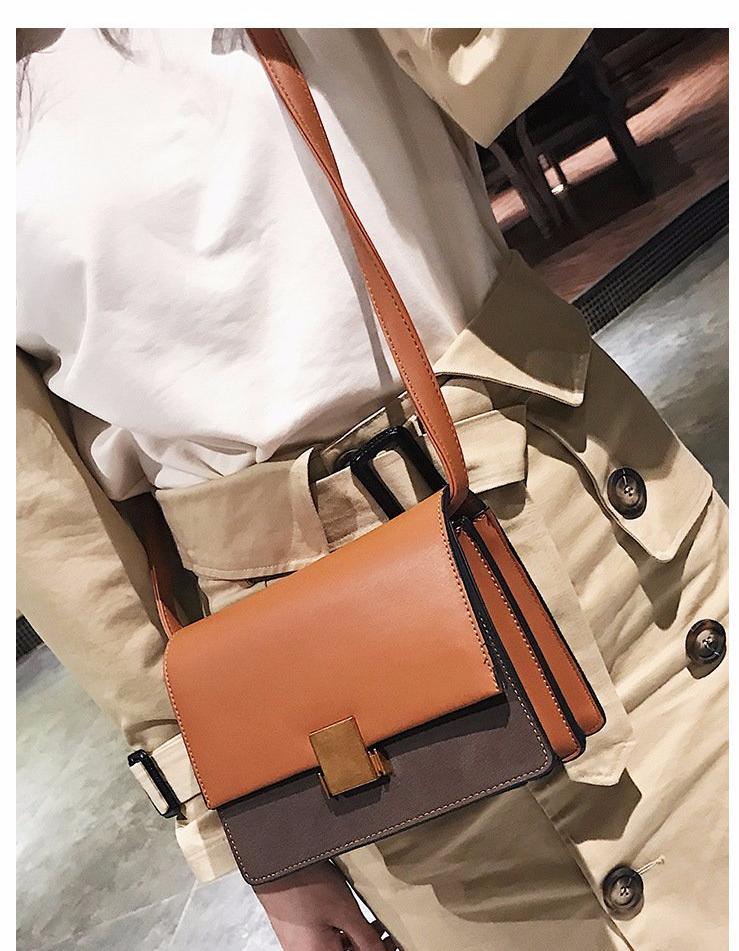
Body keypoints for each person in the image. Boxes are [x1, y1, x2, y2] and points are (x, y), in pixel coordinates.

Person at [16, 28, 728, 951]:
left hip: (610, 562)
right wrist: (241, 818)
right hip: (334, 711)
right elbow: (48, 525)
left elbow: (496, 59)